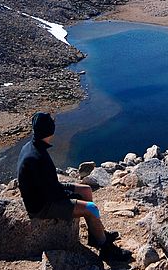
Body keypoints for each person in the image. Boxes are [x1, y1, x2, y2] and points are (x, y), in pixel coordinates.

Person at [17, 111, 131, 262]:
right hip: (41, 205)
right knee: (91, 208)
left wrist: (70, 193)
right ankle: (106, 250)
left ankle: (96, 236)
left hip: (47, 191)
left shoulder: (32, 146)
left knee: (86, 190)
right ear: (50, 130)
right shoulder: (37, 157)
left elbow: (48, 185)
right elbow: (50, 193)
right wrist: (70, 196)